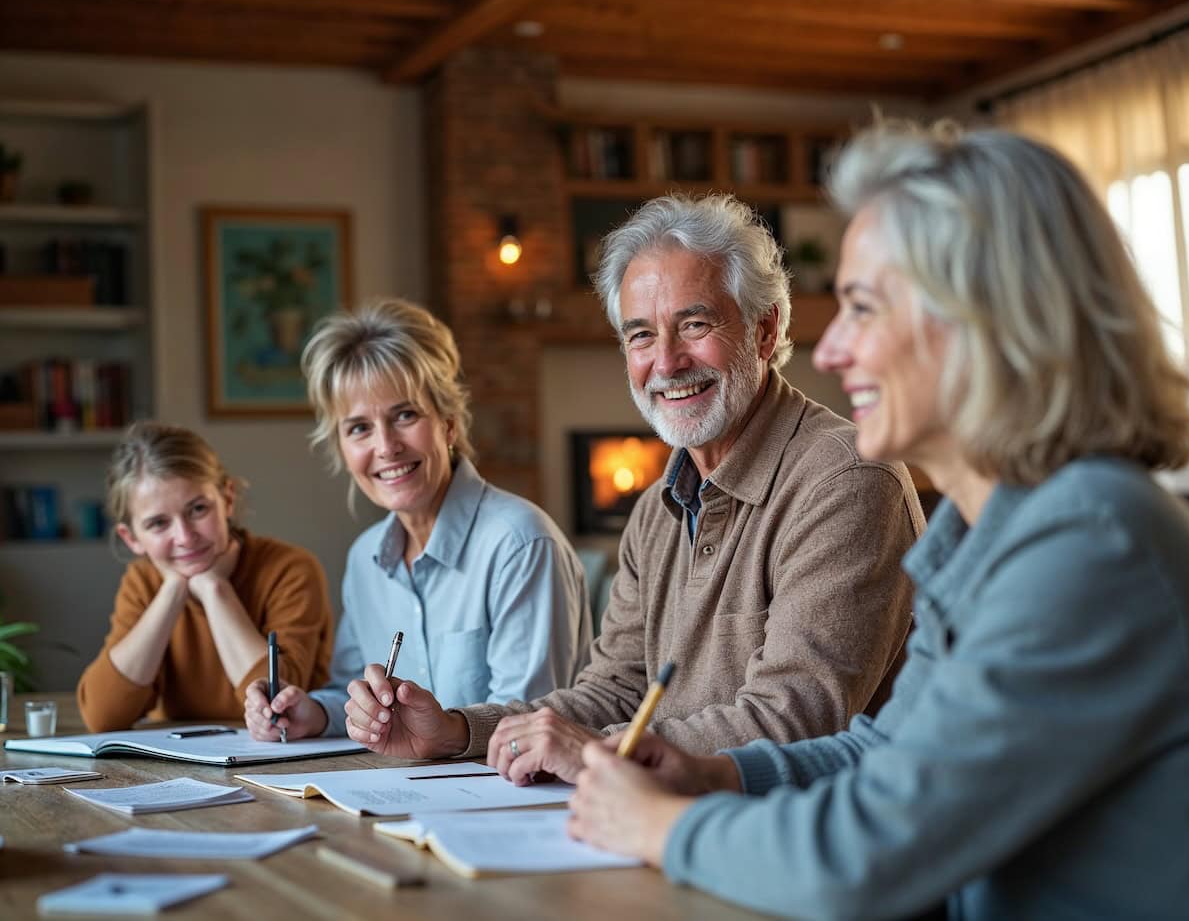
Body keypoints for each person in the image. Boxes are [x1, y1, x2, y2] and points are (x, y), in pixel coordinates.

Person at [565, 121, 1189, 920]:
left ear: (986, 317)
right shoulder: (991, 531)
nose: (828, 350)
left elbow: (869, 853)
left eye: (863, 307)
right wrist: (717, 775)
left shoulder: (1091, 540)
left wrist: (667, 823)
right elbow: (884, 751)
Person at [338, 194, 924, 784]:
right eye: (641, 336)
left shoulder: (847, 479)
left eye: (694, 325)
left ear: (765, 329)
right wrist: (461, 731)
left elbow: (795, 718)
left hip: (802, 844)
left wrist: (592, 752)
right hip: (667, 821)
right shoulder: (655, 509)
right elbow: (613, 691)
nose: (665, 363)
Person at [244, 298, 591, 740]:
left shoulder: (519, 543)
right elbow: (352, 692)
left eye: (404, 415)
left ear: (448, 424)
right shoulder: (365, 558)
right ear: (342, 449)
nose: (386, 446)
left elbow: (533, 727)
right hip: (403, 790)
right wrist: (310, 711)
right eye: (358, 428)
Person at [78, 422, 335, 732]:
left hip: (286, 760)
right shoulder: (142, 582)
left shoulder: (289, 569)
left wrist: (215, 590)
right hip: (180, 764)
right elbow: (103, 716)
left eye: (198, 509)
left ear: (227, 499)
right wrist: (173, 591)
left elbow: (278, 707)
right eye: (159, 524)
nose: (185, 537)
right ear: (131, 538)